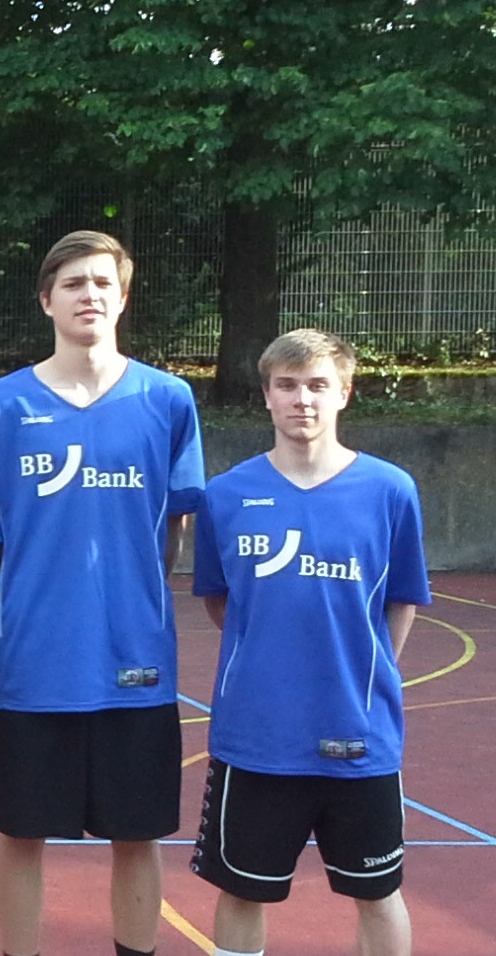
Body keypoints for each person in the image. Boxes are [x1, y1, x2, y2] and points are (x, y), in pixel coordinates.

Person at [0, 231, 205, 956]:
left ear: (123, 296)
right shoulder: (0, 406)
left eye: (102, 282)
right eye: (72, 282)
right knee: (20, 833)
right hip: (31, 663)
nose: (89, 294)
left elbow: (175, 526)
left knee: (135, 836)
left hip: (133, 661)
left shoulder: (166, 399)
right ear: (46, 299)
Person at [189, 329, 426, 956]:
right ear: (266, 395)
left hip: (359, 733)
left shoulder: (390, 491)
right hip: (257, 736)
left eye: (319, 385)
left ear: (344, 393)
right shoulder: (225, 496)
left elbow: (401, 599)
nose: (303, 400)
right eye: (288, 386)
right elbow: (221, 600)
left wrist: (360, 670)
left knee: (377, 892)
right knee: (242, 892)